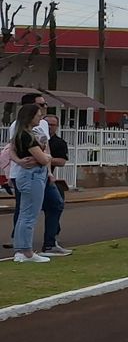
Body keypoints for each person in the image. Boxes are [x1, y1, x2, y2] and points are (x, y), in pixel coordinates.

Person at [9, 104, 53, 263]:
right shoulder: (27, 136)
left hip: (26, 175)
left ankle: (20, 250)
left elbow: (11, 150)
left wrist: (19, 161)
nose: (40, 117)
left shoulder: (21, 134)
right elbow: (43, 158)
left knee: (23, 214)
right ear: (30, 117)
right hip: (33, 176)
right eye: (38, 115)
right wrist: (47, 157)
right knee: (29, 215)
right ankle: (27, 251)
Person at [40, 113, 71, 256]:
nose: (50, 127)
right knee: (26, 211)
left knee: (56, 205)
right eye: (47, 124)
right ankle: (19, 242)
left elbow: (62, 161)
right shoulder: (36, 138)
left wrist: (46, 159)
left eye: (53, 125)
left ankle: (52, 238)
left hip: (48, 178)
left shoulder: (59, 143)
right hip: (34, 178)